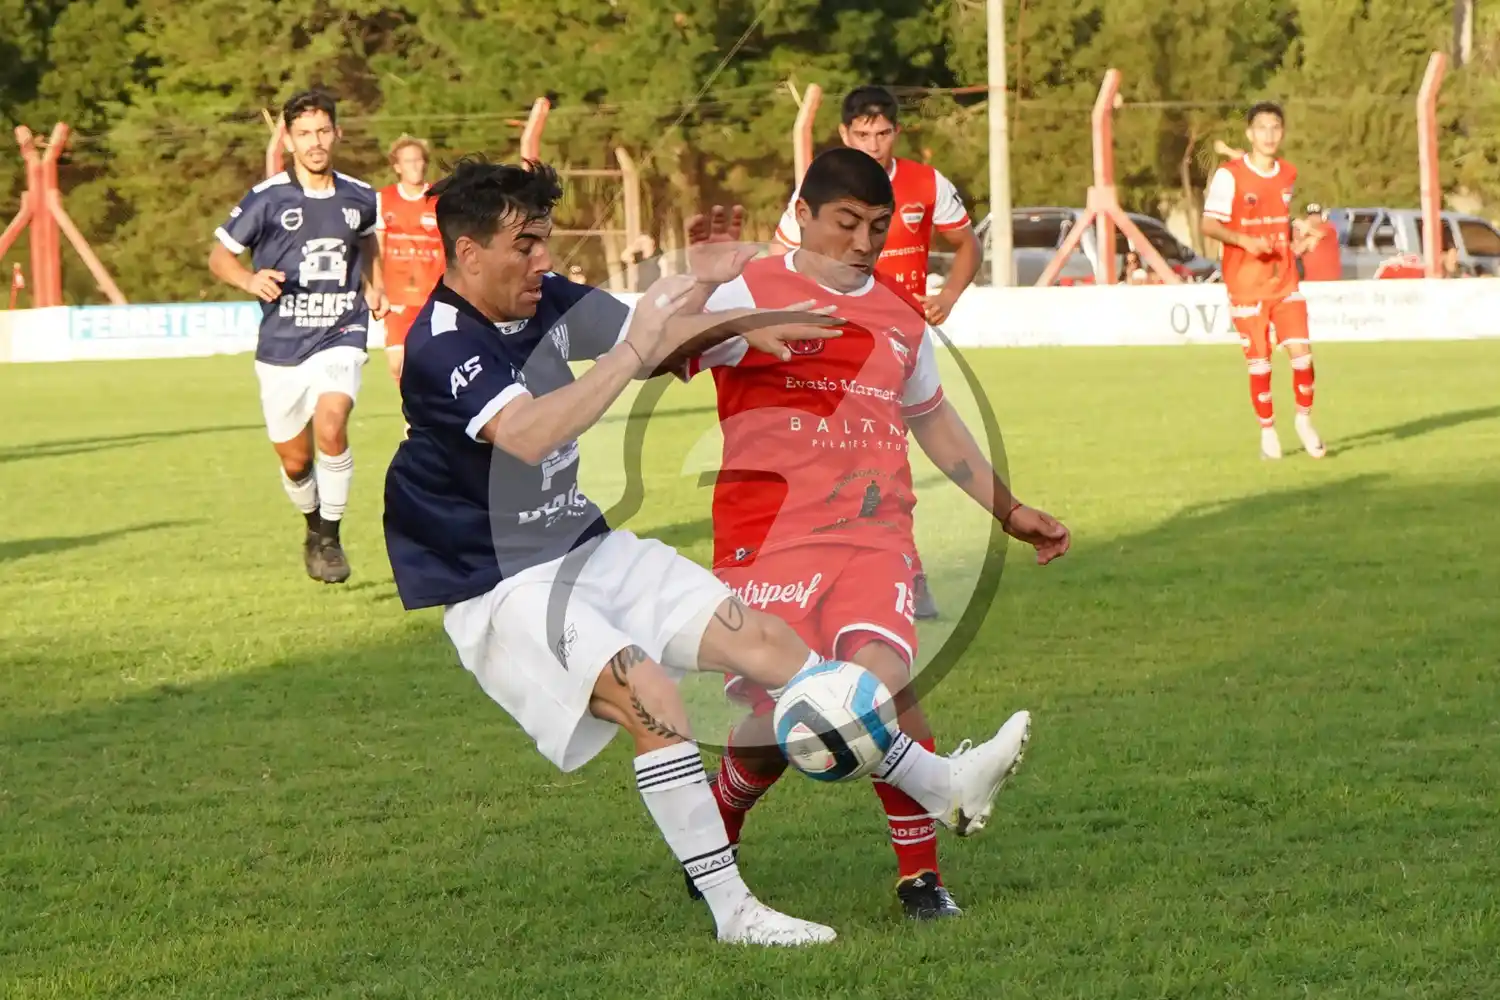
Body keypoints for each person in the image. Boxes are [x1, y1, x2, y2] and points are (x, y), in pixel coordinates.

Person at [381, 157, 1037, 946]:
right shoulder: (442, 342)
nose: (543, 260)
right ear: (467, 251)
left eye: (546, 240)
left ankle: (945, 784)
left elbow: (656, 339)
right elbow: (529, 433)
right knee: (652, 697)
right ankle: (735, 913)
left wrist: (719, 303)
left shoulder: (542, 298)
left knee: (770, 646)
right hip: (496, 581)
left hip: (580, 543)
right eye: (525, 245)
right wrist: (637, 352)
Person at [662, 148, 1067, 921]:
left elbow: (934, 420)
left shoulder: (898, 314)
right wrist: (714, 297)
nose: (862, 242)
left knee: (879, 687)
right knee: (778, 721)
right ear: (803, 215)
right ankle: (721, 816)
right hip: (765, 537)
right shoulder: (750, 287)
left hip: (872, 533)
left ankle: (921, 879)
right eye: (845, 223)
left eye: (877, 227)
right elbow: (654, 354)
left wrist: (1009, 510)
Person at [774, 85, 983, 621]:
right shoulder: (818, 188)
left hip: (901, 342)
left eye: (883, 133)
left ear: (897, 133)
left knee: (885, 458)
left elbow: (967, 243)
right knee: (852, 458)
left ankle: (895, 574)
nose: (873, 144)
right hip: (835, 342)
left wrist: (948, 295)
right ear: (843, 134)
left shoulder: (926, 183)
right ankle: (871, 574)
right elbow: (780, 256)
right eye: (862, 134)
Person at [209, 89, 386, 583]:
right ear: (287, 140)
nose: (315, 142)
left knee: (332, 420)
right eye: (304, 133)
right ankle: (313, 526)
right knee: (295, 461)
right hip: (282, 346)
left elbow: (367, 241)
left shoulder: (360, 196)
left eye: (323, 131)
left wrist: (374, 284)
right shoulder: (266, 198)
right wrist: (249, 281)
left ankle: (330, 537)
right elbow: (220, 256)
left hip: (341, 329)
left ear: (337, 134)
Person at [1201, 102, 1326, 461]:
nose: (1269, 135)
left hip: (1284, 281)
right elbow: (1209, 225)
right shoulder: (1230, 176)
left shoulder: (1288, 173)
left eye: (1275, 128)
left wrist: (1300, 238)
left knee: (1302, 355)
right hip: (1245, 284)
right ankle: (1268, 432)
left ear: (1282, 133)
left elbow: (1278, 219)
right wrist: (1244, 241)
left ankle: (1304, 421)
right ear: (1250, 134)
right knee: (1260, 363)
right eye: (1262, 128)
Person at [375, 135, 444, 385]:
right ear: (397, 166)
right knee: (398, 364)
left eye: (418, 160)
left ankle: (427, 407)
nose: (415, 165)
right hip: (397, 298)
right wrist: (377, 288)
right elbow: (377, 248)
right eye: (408, 161)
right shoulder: (383, 200)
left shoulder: (440, 199)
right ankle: (415, 407)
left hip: (434, 296)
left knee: (434, 364)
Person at [1298, 203, 1342, 281]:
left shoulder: (1328, 227)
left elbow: (1320, 234)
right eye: (1311, 215)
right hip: (1311, 279)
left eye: (1316, 215)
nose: (1314, 218)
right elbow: (1298, 250)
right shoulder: (1305, 234)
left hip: (1329, 279)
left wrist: (1306, 228)